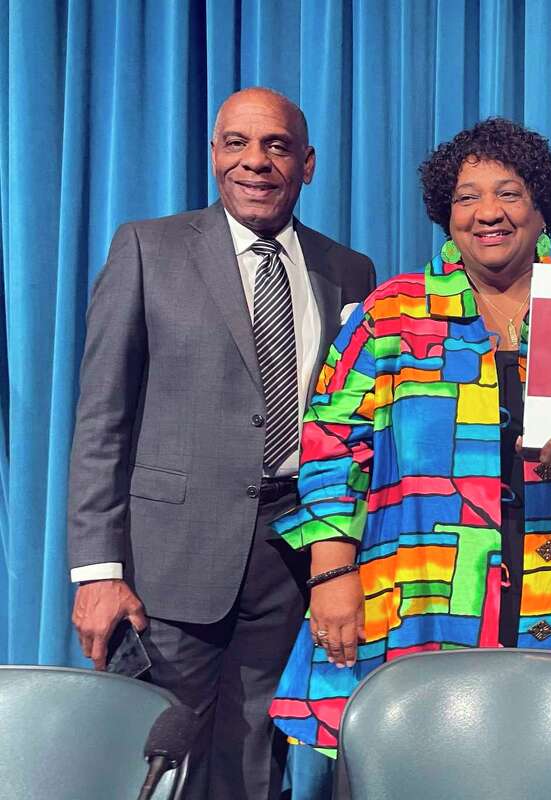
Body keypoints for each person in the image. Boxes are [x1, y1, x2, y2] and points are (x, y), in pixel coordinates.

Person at [66, 87, 376, 798]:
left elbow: (351, 421)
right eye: (236, 143)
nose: (255, 162)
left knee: (253, 765)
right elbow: (100, 420)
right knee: (149, 760)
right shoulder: (147, 248)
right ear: (214, 155)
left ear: (308, 163)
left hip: (291, 563)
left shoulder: (348, 270)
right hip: (166, 564)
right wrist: (96, 571)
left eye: (276, 146)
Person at [268, 117, 551, 755]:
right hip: (422, 593)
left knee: (544, 767)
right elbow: (330, 442)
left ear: (544, 209)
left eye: (508, 193)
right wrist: (330, 572)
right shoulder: (394, 311)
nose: (488, 213)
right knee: (422, 762)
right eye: (466, 197)